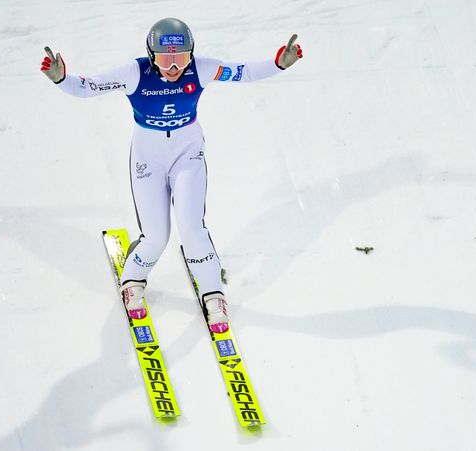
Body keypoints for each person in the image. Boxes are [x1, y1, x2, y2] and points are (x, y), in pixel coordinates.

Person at [40, 17, 302, 333]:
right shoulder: (134, 73)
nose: (175, 67)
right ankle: (133, 279)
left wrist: (279, 64)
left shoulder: (200, 69)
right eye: (166, 60)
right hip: (148, 160)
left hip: (187, 155)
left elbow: (243, 72)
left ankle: (213, 292)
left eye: (181, 58)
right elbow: (88, 87)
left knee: (192, 229)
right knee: (156, 237)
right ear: (151, 56)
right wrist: (61, 78)